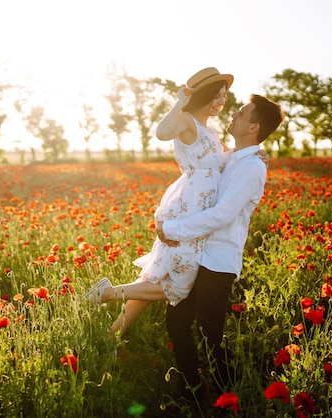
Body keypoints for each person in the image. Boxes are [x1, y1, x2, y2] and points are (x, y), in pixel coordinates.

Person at [84, 67, 234, 338]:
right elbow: (162, 133)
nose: (222, 101)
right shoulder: (186, 120)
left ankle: (112, 336)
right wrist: (180, 102)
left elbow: (230, 157)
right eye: (217, 95)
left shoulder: (211, 131)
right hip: (189, 208)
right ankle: (105, 293)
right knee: (177, 286)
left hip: (203, 208)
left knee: (156, 277)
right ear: (204, 96)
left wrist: (254, 154)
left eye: (224, 95)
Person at [158, 93, 284, 400]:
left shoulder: (251, 167)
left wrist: (172, 229)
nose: (233, 114)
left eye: (241, 113)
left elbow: (222, 214)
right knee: (176, 321)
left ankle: (232, 393)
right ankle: (191, 389)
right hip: (198, 254)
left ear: (254, 126)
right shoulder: (233, 158)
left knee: (208, 333)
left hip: (218, 260)